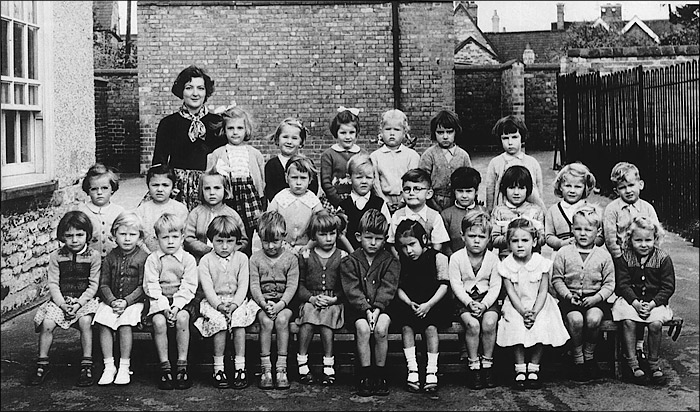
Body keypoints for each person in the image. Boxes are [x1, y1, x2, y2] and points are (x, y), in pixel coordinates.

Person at [28, 211, 101, 387]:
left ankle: (86, 364)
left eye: (79, 235)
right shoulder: (56, 256)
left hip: (84, 300)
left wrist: (78, 304)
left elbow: (93, 285)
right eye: (69, 236)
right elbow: (53, 283)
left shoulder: (93, 256)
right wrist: (61, 303)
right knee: (47, 323)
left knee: (85, 322)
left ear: (87, 235)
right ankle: (42, 363)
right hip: (61, 300)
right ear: (62, 236)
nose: (74, 240)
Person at [496, 218, 570, 390]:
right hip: (517, 305)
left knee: (541, 324)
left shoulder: (541, 263)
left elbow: (543, 291)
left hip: (539, 303)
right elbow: (511, 292)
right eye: (514, 241)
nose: (520, 245)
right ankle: (520, 367)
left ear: (534, 241)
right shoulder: (506, 265)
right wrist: (523, 312)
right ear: (508, 243)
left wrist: (534, 312)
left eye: (525, 240)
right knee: (515, 323)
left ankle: (534, 368)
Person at [603, 161, 660, 363]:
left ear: (640, 185)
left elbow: (657, 235)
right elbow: (610, 238)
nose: (627, 191)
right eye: (622, 187)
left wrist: (651, 260)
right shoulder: (612, 209)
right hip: (622, 262)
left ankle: (639, 344)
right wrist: (621, 261)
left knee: (644, 294)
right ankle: (620, 341)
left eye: (631, 185)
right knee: (626, 297)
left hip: (645, 260)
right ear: (616, 189)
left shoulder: (647, 208)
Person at [194, 216, 259, 389]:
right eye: (219, 241)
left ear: (237, 241)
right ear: (211, 240)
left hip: (237, 301)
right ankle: (219, 368)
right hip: (214, 302)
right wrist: (219, 305)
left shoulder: (242, 259)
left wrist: (235, 304)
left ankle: (240, 367)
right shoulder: (206, 261)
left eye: (230, 241)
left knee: (238, 321)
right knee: (219, 322)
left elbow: (244, 284)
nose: (224, 246)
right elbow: (207, 288)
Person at [340, 209, 400, 397]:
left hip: (384, 307)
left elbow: (388, 287)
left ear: (384, 239)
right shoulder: (350, 261)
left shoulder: (390, 261)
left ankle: (380, 374)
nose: (373, 243)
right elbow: (352, 289)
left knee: (381, 329)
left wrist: (378, 308)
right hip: (357, 309)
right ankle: (365, 374)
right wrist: (366, 309)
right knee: (363, 329)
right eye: (368, 237)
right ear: (358, 237)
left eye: (378, 238)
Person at [551, 206, 615, 382]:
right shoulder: (563, 253)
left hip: (596, 300)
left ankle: (590, 355)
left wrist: (596, 298)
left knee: (593, 319)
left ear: (598, 231)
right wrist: (568, 296)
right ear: (572, 229)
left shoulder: (603, 256)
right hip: (570, 299)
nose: (583, 233)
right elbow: (557, 280)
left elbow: (609, 284)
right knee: (575, 320)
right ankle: (578, 357)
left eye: (588, 229)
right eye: (578, 229)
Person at [150, 65, 226, 210]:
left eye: (200, 88)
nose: (195, 93)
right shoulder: (168, 123)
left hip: (209, 188)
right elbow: (159, 163)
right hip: (178, 190)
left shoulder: (218, 122)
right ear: (181, 91)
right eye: (189, 87)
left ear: (206, 92)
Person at [389, 219, 451, 394]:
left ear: (423, 239)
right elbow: (398, 287)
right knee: (407, 327)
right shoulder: (401, 262)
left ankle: (432, 370)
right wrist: (409, 302)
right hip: (410, 303)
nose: (408, 250)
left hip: (433, 303)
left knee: (431, 328)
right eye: (403, 247)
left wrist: (428, 305)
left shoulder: (438, 258)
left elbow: (444, 285)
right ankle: (413, 369)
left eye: (412, 244)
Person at [612, 216, 675, 386]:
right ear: (629, 239)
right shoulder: (624, 258)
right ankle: (632, 362)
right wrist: (635, 303)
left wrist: (653, 303)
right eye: (638, 240)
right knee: (628, 321)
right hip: (631, 301)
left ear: (655, 239)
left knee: (655, 324)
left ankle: (653, 363)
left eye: (648, 240)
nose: (644, 244)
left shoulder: (663, 258)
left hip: (655, 302)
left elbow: (668, 287)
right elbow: (622, 285)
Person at [143, 213, 199, 390]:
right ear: (157, 238)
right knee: (159, 322)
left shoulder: (188, 259)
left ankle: (182, 366)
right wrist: (165, 307)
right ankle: (165, 367)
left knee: (183, 318)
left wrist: (176, 306)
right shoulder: (152, 260)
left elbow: (189, 285)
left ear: (182, 238)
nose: (170, 242)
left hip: (183, 300)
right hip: (159, 300)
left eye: (175, 237)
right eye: (165, 237)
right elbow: (151, 285)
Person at [94, 212, 149, 386]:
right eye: (122, 234)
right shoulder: (111, 257)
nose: (127, 239)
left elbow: (143, 286)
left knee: (125, 323)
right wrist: (111, 301)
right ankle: (109, 365)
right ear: (114, 234)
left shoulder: (143, 257)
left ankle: (125, 365)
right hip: (112, 301)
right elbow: (103, 284)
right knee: (103, 321)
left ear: (139, 236)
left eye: (132, 235)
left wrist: (126, 301)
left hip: (134, 302)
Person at [449, 210, 502, 390]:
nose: (476, 240)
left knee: (489, 322)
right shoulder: (456, 258)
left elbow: (496, 286)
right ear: (463, 236)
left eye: (482, 236)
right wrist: (468, 302)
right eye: (472, 236)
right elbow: (455, 284)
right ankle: (473, 366)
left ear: (489, 238)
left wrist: (485, 304)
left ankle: (487, 363)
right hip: (464, 300)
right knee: (472, 325)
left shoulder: (493, 259)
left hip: (487, 299)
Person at [248, 211, 300, 390]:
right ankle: (266, 369)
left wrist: (280, 305)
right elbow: (254, 285)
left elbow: (292, 286)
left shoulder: (291, 259)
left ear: (284, 237)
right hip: (263, 303)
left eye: (275, 241)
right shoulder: (255, 259)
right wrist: (263, 304)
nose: (270, 246)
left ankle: (281, 368)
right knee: (265, 321)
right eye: (265, 241)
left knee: (282, 320)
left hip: (284, 303)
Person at [295, 213, 347, 386]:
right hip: (311, 300)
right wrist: (311, 298)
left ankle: (328, 364)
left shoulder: (342, 256)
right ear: (313, 236)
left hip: (333, 303)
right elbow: (299, 286)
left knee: (327, 319)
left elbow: (346, 288)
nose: (328, 238)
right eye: (323, 234)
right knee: (308, 318)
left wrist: (334, 299)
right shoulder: (306, 256)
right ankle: (302, 362)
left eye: (332, 233)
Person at [206, 105, 265, 255]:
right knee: (227, 231)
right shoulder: (217, 154)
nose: (235, 132)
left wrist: (262, 200)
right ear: (224, 130)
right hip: (229, 198)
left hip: (249, 199)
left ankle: (245, 262)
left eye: (239, 128)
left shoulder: (255, 154)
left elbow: (261, 181)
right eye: (230, 128)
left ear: (246, 130)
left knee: (247, 236)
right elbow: (210, 178)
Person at [183, 167, 249, 263]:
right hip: (201, 262)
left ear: (225, 190)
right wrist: (208, 251)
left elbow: (243, 240)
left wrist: (229, 250)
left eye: (217, 188)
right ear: (201, 190)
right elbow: (188, 238)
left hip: (227, 262)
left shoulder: (232, 214)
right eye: (207, 189)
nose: (212, 192)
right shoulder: (196, 213)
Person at [483, 115, 546, 214]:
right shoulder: (495, 163)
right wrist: (490, 212)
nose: (510, 142)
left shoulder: (532, 162)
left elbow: (538, 191)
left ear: (522, 137)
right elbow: (490, 190)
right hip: (503, 212)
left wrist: (541, 211)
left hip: (528, 212)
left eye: (514, 137)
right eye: (505, 138)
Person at [387, 168, 450, 257]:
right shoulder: (397, 216)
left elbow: (437, 244)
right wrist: (399, 260)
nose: (411, 193)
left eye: (417, 189)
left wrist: (428, 259)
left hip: (427, 262)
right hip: (404, 261)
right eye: (407, 189)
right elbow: (392, 243)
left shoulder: (434, 216)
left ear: (429, 194)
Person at [267, 155, 324, 253]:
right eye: (294, 177)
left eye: (303, 178)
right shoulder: (280, 198)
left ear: (310, 179)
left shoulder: (313, 201)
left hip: (307, 248)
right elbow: (269, 222)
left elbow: (321, 226)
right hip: (283, 248)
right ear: (286, 178)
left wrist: (310, 244)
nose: (298, 182)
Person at [418, 110, 473, 211]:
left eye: (449, 132)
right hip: (433, 201)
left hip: (458, 202)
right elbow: (422, 182)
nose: (445, 136)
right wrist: (433, 204)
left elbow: (470, 181)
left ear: (456, 131)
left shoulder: (463, 155)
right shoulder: (429, 155)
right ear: (434, 133)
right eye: (440, 132)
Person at [338, 153, 392, 251]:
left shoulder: (379, 203)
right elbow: (340, 236)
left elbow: (387, 230)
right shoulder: (343, 205)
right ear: (349, 178)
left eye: (368, 177)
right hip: (350, 256)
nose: (364, 181)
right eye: (359, 177)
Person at [370, 109, 420, 214]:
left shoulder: (411, 156)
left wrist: (403, 201)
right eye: (388, 129)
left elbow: (413, 180)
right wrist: (384, 201)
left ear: (404, 132)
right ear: (381, 131)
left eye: (397, 130)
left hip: (408, 199)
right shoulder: (375, 156)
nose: (392, 133)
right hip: (383, 200)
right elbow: (375, 183)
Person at [546, 162, 603, 251]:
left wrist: (588, 242)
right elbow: (549, 236)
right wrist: (560, 243)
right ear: (560, 186)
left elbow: (600, 237)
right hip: (560, 255)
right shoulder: (553, 211)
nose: (572, 190)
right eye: (568, 186)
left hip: (586, 255)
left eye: (578, 187)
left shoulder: (592, 210)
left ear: (585, 188)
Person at [491, 165, 545, 259]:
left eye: (521, 188)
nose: (516, 192)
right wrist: (511, 238)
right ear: (504, 188)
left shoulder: (536, 210)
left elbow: (542, 240)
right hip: (507, 260)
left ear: (528, 189)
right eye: (511, 188)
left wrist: (532, 236)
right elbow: (493, 239)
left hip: (532, 260)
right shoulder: (499, 211)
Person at [319, 107, 366, 213]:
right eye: (343, 133)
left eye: (351, 132)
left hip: (357, 198)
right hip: (334, 200)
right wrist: (339, 202)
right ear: (336, 133)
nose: (348, 137)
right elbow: (326, 183)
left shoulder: (362, 154)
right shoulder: (329, 155)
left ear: (357, 133)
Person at [135, 164, 189, 253]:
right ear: (148, 186)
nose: (160, 189)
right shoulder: (142, 210)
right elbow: (138, 238)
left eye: (165, 185)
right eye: (155, 185)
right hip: (147, 256)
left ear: (172, 187)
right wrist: (149, 255)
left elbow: (183, 237)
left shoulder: (180, 209)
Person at [264, 117, 319, 203]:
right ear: (278, 139)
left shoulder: (307, 163)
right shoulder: (271, 165)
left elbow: (313, 188)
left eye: (294, 138)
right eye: (285, 137)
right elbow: (270, 191)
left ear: (301, 142)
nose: (289, 142)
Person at [76, 163, 125, 258]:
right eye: (94, 189)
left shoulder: (119, 211)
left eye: (104, 188)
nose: (99, 193)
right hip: (89, 260)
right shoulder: (83, 212)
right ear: (88, 191)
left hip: (114, 259)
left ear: (112, 189)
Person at [440, 167, 486, 257]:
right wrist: (454, 260)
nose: (464, 196)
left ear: (476, 191)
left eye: (469, 191)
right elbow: (445, 245)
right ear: (454, 191)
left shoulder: (483, 212)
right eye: (460, 191)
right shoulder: (447, 215)